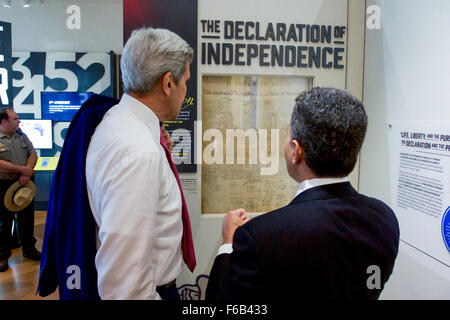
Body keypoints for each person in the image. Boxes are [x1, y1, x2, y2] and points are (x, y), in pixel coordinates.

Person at [206, 87, 400, 300]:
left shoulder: (260, 236)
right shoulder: (384, 219)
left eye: (287, 136)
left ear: (297, 151)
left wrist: (228, 243)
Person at [84, 28, 196, 300]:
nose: (185, 92)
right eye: (185, 82)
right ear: (168, 83)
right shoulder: (137, 152)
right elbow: (125, 286)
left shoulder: (123, 125)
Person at [0, 107, 40, 272]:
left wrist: (28, 170)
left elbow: (32, 153)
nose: (19, 121)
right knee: (4, 221)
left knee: (27, 218)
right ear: (4, 122)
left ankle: (29, 249)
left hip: (25, 183)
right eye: (15, 119)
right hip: (4, 185)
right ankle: (2, 255)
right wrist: (21, 170)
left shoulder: (21, 135)